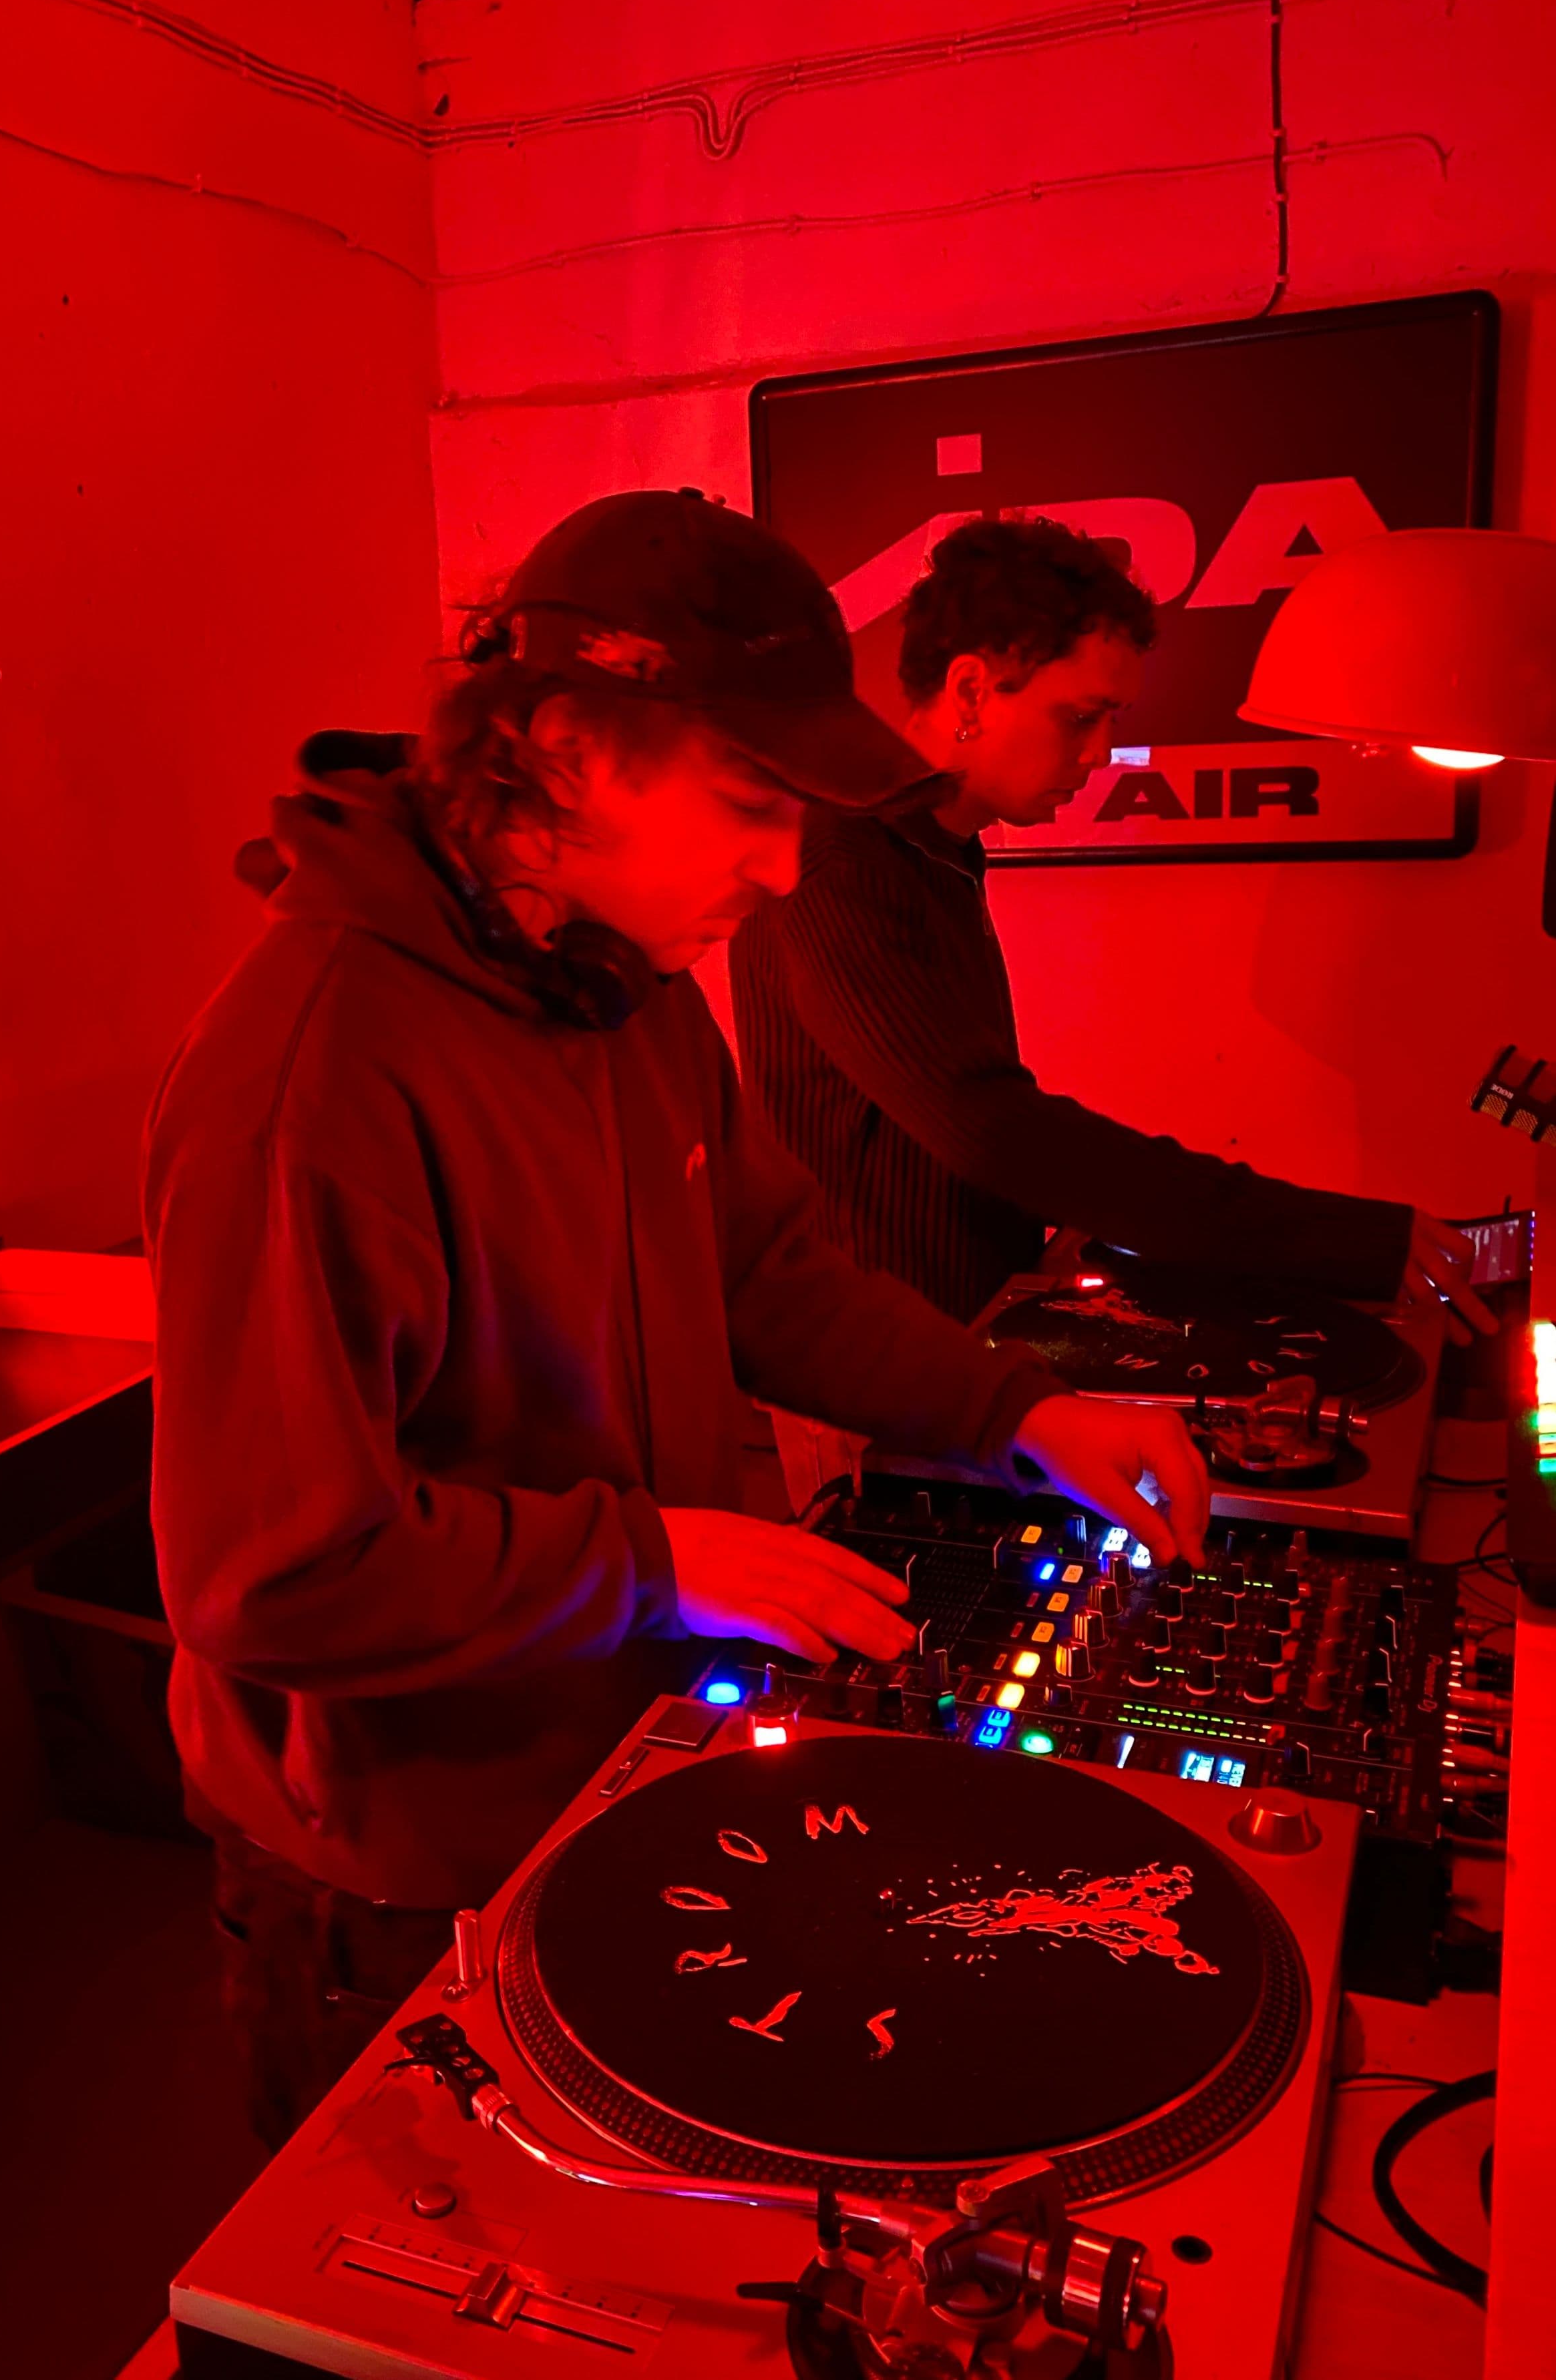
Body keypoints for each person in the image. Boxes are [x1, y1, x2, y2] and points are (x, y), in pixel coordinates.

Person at [144, 490, 1209, 2147]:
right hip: (391, 1867)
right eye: (748, 804)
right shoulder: (313, 1076)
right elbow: (268, 1576)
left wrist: (1019, 1410)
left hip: (613, 1752)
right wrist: (654, 1559)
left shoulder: (629, 987)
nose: (781, 873)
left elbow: (767, 1274)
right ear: (566, 752)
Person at [731, 513, 1493, 1339]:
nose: (1099, 754)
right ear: (971, 692)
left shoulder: (937, 850)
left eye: (1111, 722)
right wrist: (1338, 1239)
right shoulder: (844, 858)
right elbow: (991, 1129)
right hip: (871, 1357)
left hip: (951, 1339)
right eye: (1079, 717)